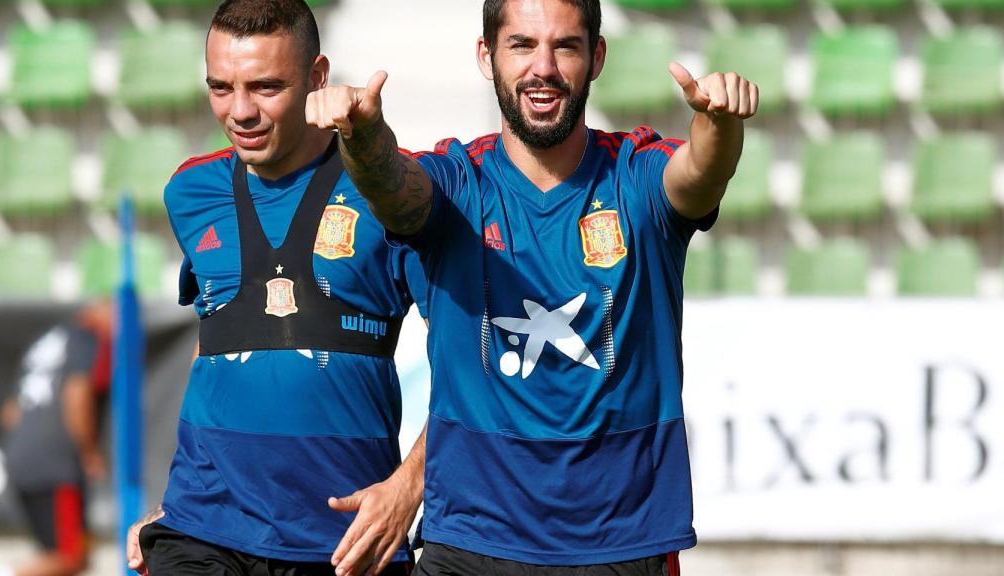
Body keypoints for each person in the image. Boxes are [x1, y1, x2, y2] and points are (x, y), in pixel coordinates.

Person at [306, 0, 758, 573]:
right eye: (521, 45)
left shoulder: (636, 175)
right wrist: (362, 136)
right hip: (472, 543)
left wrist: (719, 123)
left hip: (622, 545)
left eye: (565, 46)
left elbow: (699, 174)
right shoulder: (457, 185)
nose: (542, 67)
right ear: (485, 55)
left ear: (597, 57)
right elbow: (391, 186)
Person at [124, 1, 428, 575]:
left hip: (343, 542)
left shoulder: (397, 193)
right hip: (202, 528)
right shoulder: (190, 191)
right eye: (220, 87)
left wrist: (407, 488)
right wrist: (174, 500)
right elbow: (222, 332)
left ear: (317, 78)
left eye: (265, 87)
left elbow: (474, 360)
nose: (240, 111)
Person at [0, 299, 113, 576]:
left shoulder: (46, 341)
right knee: (70, 557)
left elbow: (9, 412)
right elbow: (76, 394)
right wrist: (89, 452)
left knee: (59, 555)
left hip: (20, 458)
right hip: (55, 465)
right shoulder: (86, 339)